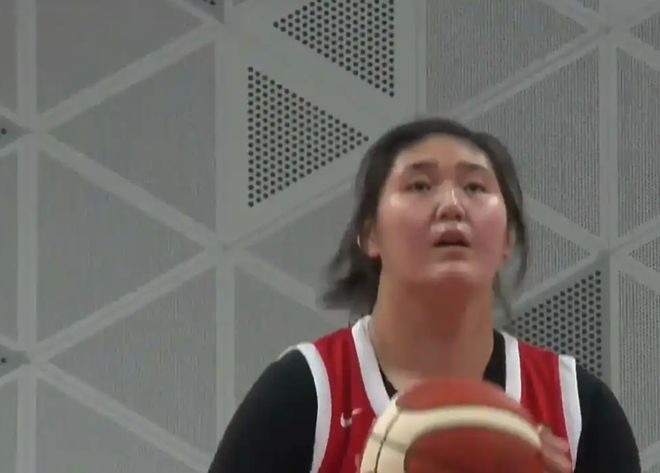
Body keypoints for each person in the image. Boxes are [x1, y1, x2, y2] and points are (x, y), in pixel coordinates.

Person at [209, 118, 640, 473]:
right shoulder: (304, 395)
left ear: (507, 238)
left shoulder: (578, 409)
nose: (451, 204)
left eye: (475, 187)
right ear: (369, 233)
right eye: (419, 185)